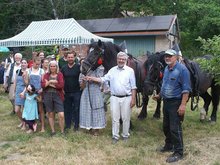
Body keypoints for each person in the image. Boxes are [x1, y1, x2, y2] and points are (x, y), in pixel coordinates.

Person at [86, 51, 136, 143]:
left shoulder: (130, 71)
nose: (121, 60)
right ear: (117, 59)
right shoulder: (112, 70)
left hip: (126, 97)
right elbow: (103, 79)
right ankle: (115, 136)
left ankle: (125, 135)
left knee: (125, 118)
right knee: (115, 118)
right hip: (114, 97)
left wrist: (133, 99)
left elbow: (133, 87)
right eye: (119, 59)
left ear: (125, 60)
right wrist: (92, 78)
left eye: (123, 59)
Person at [153, 49, 191, 163]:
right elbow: (165, 85)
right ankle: (169, 145)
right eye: (166, 56)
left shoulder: (182, 70)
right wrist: (159, 95)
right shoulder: (166, 68)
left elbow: (186, 90)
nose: (167, 58)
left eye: (170, 56)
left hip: (176, 103)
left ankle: (179, 152)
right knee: (166, 126)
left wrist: (183, 105)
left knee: (175, 128)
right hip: (166, 102)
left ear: (176, 57)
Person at [79, 64, 106, 136]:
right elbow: (82, 87)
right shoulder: (83, 72)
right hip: (86, 93)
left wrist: (92, 79)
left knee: (97, 110)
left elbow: (101, 83)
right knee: (87, 110)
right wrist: (84, 81)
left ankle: (97, 129)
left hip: (96, 91)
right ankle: (89, 127)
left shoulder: (99, 69)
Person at [41, 61, 65, 135]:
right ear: (49, 67)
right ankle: (53, 131)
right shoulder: (46, 75)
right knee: (50, 113)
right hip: (47, 95)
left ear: (56, 67)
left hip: (58, 95)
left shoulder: (60, 74)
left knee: (61, 114)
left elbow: (61, 85)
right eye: (51, 66)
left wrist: (48, 83)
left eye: (54, 66)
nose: (52, 67)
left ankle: (62, 131)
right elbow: (43, 85)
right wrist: (52, 81)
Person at [23, 56, 45, 132]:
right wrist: (25, 78)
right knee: (31, 110)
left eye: (39, 64)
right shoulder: (28, 71)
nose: (37, 65)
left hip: (39, 92)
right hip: (30, 93)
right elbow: (26, 83)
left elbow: (43, 82)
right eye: (36, 64)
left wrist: (42, 89)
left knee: (41, 110)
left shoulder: (41, 71)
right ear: (33, 62)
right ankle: (31, 127)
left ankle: (42, 127)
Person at [61, 51, 81, 132]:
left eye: (72, 57)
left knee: (76, 109)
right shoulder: (64, 68)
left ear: (74, 58)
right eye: (69, 57)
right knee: (67, 109)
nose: (70, 59)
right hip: (66, 92)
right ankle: (68, 125)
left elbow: (82, 77)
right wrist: (62, 90)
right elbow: (61, 80)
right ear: (67, 58)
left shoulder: (79, 67)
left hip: (77, 91)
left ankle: (76, 125)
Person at [14, 59, 28, 129]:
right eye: (22, 63)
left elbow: (28, 84)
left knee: (24, 109)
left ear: (27, 64)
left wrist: (24, 92)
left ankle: (24, 124)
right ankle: (22, 121)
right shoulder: (18, 71)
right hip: (18, 91)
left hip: (25, 91)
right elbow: (15, 82)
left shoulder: (28, 71)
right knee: (17, 110)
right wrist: (14, 91)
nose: (23, 64)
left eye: (24, 63)